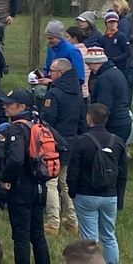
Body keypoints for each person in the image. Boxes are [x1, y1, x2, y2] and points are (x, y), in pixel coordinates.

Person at [0, 88, 51, 264]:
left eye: (10, 103)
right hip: (40, 186)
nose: (5, 106)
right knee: (38, 234)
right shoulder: (39, 124)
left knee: (21, 236)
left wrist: (4, 177)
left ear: (22, 107)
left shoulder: (17, 129)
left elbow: (16, 160)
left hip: (21, 188)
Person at [66, 104, 128, 264]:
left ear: (89, 118)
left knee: (89, 238)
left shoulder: (81, 141)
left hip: (86, 194)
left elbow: (73, 171)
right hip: (110, 195)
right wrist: (119, 196)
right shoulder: (118, 142)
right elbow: (123, 173)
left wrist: (72, 192)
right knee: (109, 236)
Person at [40, 56, 82, 237]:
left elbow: (47, 120)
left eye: (53, 71)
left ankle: (53, 222)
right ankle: (72, 221)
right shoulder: (77, 92)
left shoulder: (54, 93)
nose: (49, 73)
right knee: (64, 183)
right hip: (72, 142)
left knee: (51, 182)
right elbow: (82, 120)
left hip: (54, 142)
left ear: (61, 73)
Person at [86, 46, 132, 144]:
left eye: (89, 64)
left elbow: (103, 106)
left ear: (97, 62)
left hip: (113, 125)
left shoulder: (104, 79)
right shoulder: (116, 72)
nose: (89, 67)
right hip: (123, 121)